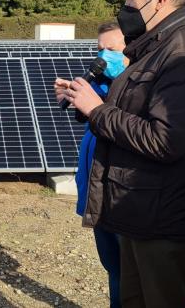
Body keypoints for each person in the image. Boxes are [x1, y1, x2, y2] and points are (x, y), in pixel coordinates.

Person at [59, 0, 185, 308]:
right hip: (141, 210)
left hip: (166, 219)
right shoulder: (154, 48)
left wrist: (98, 109)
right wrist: (89, 105)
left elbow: (165, 139)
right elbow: (131, 113)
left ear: (160, 0)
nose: (125, 5)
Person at [66, 22, 128, 308]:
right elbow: (89, 118)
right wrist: (75, 98)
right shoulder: (100, 83)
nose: (104, 56)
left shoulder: (139, 90)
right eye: (99, 49)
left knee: (131, 274)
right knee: (113, 269)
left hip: (122, 197)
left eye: (112, 49)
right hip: (96, 192)